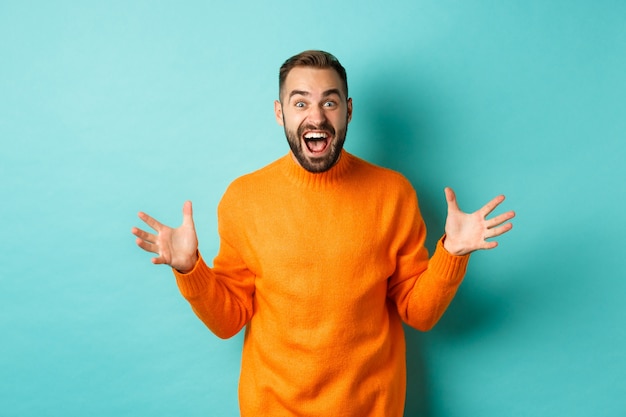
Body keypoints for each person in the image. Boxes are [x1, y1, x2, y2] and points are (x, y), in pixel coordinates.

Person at [132, 50, 515, 417]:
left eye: (329, 103)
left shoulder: (393, 193)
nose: (316, 117)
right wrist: (188, 269)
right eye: (300, 103)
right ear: (279, 113)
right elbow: (229, 319)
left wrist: (453, 253)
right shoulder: (243, 199)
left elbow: (418, 312)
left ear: (348, 111)